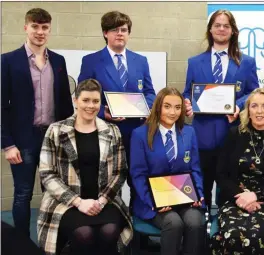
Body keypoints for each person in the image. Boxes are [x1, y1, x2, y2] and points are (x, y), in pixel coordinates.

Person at [37, 79, 132, 255]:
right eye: (86, 100)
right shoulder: (56, 130)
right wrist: (78, 202)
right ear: (76, 101)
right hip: (66, 203)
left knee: (110, 231)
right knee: (84, 234)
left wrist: (102, 200)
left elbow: (120, 172)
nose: (91, 106)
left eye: (95, 101)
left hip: (104, 201)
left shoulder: (112, 131)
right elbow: (47, 174)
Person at [1, 8, 73, 237]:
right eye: (35, 27)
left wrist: (68, 137)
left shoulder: (59, 61)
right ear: (26, 28)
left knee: (53, 193)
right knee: (23, 193)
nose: (40, 32)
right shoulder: (8, 61)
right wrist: (7, 145)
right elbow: (1, 105)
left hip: (52, 138)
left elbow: (65, 104)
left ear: (49, 30)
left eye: (44, 28)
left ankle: (50, 240)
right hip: (23, 140)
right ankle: (21, 243)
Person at [182, 9, 259, 210]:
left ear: (233, 31)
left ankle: (223, 234)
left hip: (232, 135)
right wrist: (186, 103)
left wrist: (238, 105)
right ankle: (201, 234)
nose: (222, 29)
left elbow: (253, 92)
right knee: (202, 189)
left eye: (226, 25)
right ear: (210, 29)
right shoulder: (194, 62)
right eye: (217, 25)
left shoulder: (247, 62)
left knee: (229, 191)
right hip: (202, 135)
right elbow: (186, 93)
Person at [210, 88, 264, 254]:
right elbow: (220, 174)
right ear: (248, 111)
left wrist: (256, 196)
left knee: (256, 235)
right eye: (254, 106)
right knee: (233, 234)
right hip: (235, 201)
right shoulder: (234, 135)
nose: (259, 111)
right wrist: (241, 197)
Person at [130, 87, 205, 255]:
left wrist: (198, 194)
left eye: (178, 107)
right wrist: (153, 202)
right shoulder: (140, 134)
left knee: (195, 221)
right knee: (173, 222)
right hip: (153, 200)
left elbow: (195, 169)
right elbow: (138, 175)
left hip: (183, 196)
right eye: (167, 106)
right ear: (158, 107)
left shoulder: (189, 132)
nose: (173, 112)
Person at [78, 10, 156, 164]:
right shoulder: (91, 61)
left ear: (129, 34)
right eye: (115, 30)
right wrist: (102, 112)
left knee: (137, 179)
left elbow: (149, 92)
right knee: (109, 182)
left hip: (136, 131)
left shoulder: (141, 61)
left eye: (124, 30)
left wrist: (144, 108)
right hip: (105, 131)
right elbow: (82, 97)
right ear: (105, 33)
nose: (120, 34)